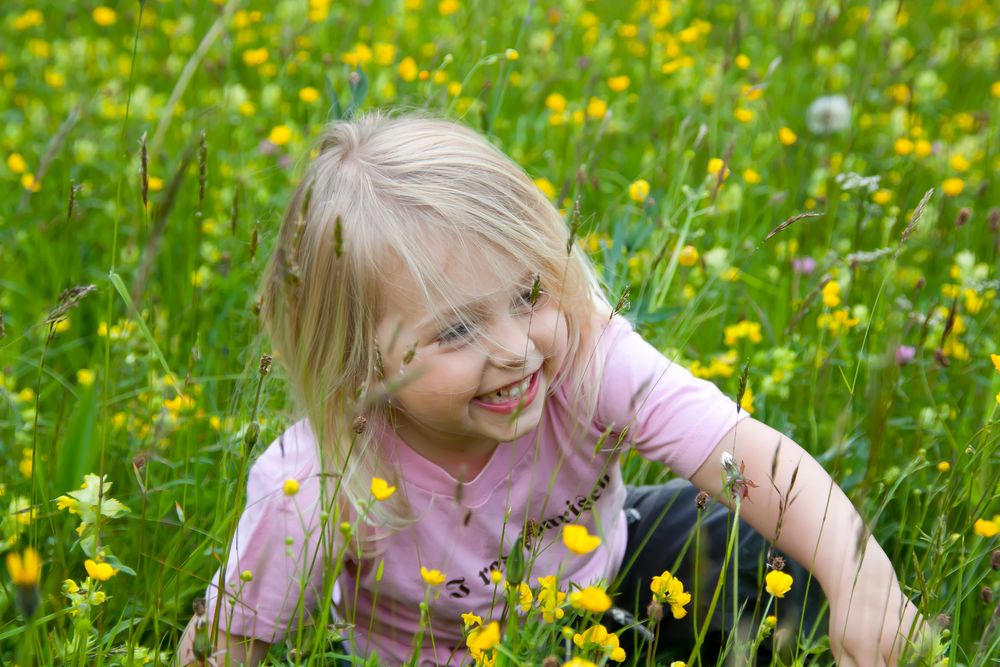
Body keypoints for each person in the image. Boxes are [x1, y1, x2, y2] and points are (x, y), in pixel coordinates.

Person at [175, 111, 922, 666]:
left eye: (530, 292)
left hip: (608, 582)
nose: (515, 348)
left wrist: (862, 578)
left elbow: (739, 450)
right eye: (458, 331)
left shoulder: (583, 353)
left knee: (769, 542)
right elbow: (230, 643)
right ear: (358, 365)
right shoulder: (318, 480)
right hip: (440, 655)